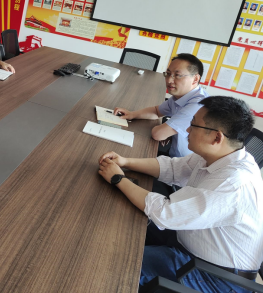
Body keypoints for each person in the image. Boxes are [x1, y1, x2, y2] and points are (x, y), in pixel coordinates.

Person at [98, 96, 263, 292]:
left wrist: (118, 178)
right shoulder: (220, 156)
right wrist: (125, 162)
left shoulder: (233, 183)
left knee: (113, 263)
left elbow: (166, 212)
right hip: (188, 243)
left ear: (216, 138)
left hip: (214, 276)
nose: (187, 130)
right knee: (118, 226)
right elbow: (173, 168)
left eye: (193, 125)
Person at [114, 53, 208, 158]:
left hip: (185, 164)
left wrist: (165, 130)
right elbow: (156, 111)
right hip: (175, 156)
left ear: (195, 79)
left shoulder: (198, 104)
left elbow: (158, 134)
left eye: (177, 75)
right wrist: (132, 114)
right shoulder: (181, 96)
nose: (169, 80)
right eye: (168, 74)